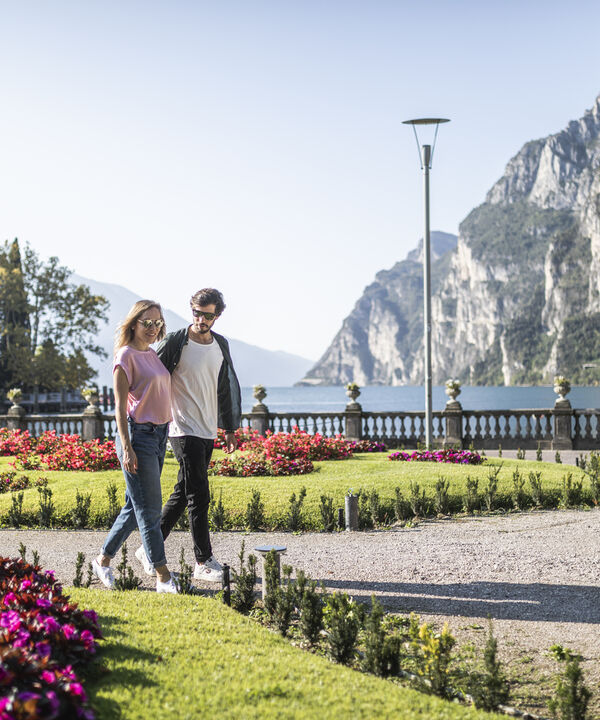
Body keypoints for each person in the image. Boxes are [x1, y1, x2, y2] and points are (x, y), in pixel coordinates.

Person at [135, 288, 241, 583]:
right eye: (197, 312)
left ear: (217, 316)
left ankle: (148, 548)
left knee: (183, 492)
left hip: (207, 429)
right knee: (199, 494)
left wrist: (229, 429)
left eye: (208, 315)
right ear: (191, 310)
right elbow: (150, 376)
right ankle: (203, 561)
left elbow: (225, 387)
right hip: (182, 429)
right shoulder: (175, 342)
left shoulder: (221, 344)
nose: (201, 319)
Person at [92, 300, 179, 593]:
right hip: (137, 437)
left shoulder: (153, 355)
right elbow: (119, 407)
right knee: (150, 509)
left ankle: (102, 560)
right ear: (133, 324)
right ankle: (162, 575)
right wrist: (127, 447)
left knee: (134, 507)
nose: (153, 328)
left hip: (158, 436)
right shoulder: (125, 356)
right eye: (147, 323)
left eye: (157, 323)